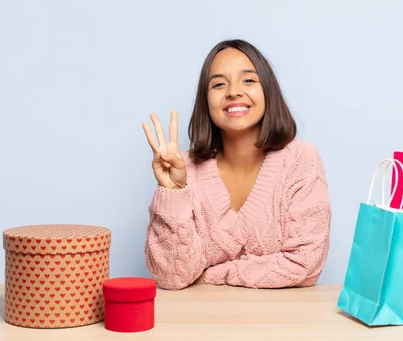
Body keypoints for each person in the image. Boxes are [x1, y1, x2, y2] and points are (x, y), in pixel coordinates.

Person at [141, 39, 331, 290]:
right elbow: (172, 277)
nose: (233, 92)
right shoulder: (182, 168)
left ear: (268, 92)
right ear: (205, 101)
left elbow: (305, 266)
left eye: (248, 80)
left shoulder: (301, 161)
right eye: (219, 84)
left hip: (283, 324)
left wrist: (214, 275)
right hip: (200, 324)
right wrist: (173, 192)